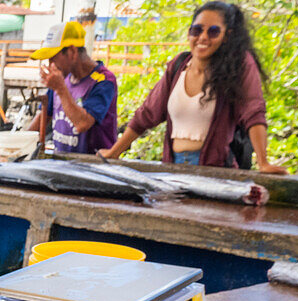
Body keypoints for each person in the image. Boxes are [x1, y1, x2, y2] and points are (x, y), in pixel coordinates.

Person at [99, 2, 286, 173]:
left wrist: (263, 163)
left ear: (227, 36)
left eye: (213, 31)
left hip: (216, 172)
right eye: (196, 30)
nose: (203, 37)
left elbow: (253, 111)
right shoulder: (178, 66)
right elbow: (147, 114)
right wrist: (114, 152)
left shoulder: (238, 66)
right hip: (172, 167)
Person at [28, 21, 118, 156]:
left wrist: (61, 89)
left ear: (72, 51)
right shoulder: (61, 78)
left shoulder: (103, 80)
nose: (50, 64)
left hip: (93, 166)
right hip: (63, 163)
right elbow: (44, 116)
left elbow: (83, 123)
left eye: (53, 58)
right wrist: (19, 142)